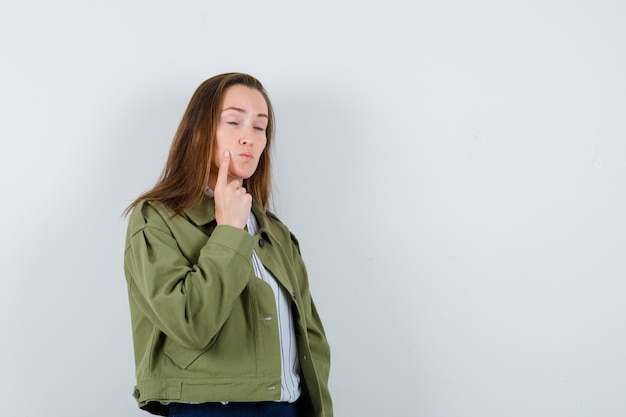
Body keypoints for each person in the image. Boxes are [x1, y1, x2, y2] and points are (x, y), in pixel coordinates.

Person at [123, 73, 332, 417]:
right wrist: (229, 231)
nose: (249, 138)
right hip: (211, 408)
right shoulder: (157, 218)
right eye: (234, 122)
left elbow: (311, 339)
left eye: (260, 127)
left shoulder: (275, 231)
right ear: (200, 132)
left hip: (288, 409)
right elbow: (190, 323)